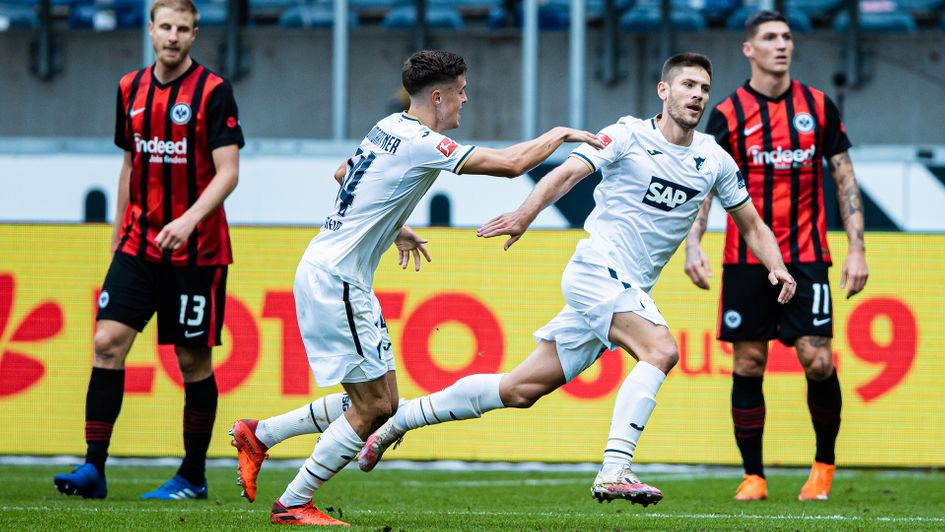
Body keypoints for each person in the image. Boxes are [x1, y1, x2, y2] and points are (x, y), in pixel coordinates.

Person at [357, 53, 797, 508]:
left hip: (626, 289)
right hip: (597, 271)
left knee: (519, 390)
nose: (697, 96)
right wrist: (524, 215)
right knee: (661, 350)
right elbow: (567, 173)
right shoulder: (627, 135)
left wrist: (777, 265)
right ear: (664, 91)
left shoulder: (713, 159)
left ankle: (401, 419)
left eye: (704, 88)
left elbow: (750, 223)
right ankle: (615, 469)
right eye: (687, 85)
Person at [229, 49, 603, 526]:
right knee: (372, 409)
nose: (465, 102)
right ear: (439, 95)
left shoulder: (387, 126)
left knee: (379, 401)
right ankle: (293, 502)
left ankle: (259, 434)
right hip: (336, 280)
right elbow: (512, 164)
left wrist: (392, 226)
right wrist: (560, 133)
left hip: (331, 271)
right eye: (462, 93)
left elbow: (343, 174)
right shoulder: (424, 142)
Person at [53, 0, 244, 501]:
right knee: (106, 343)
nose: (173, 36)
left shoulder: (214, 92)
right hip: (138, 245)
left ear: (195, 33)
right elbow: (130, 164)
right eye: (165, 27)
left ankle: (193, 476)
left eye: (183, 28)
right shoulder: (128, 88)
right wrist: (118, 232)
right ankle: (94, 468)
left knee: (191, 362)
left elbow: (229, 172)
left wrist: (187, 220)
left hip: (197, 250)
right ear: (151, 29)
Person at [683, 10, 869, 502]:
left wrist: (857, 249)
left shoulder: (819, 107)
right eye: (770, 37)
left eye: (786, 36)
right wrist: (694, 242)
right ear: (749, 49)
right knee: (747, 362)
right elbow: (704, 182)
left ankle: (823, 468)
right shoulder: (727, 113)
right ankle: (754, 476)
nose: (781, 45)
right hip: (746, 259)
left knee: (818, 359)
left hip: (808, 255)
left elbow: (845, 178)